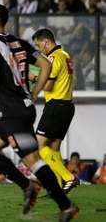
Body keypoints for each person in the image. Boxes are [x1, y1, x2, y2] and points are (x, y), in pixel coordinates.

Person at [0, 3, 78, 221]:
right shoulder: (19, 42)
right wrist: (34, 93)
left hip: (14, 113)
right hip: (16, 111)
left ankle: (66, 205)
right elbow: (45, 65)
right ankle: (28, 186)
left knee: (34, 160)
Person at [31, 28, 78, 193]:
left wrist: (35, 78)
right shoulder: (65, 56)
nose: (38, 49)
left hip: (55, 105)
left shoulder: (52, 58)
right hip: (67, 106)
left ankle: (68, 177)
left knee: (39, 146)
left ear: (46, 42)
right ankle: (58, 188)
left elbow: (49, 85)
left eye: (38, 45)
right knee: (54, 147)